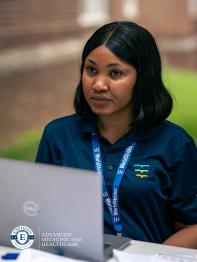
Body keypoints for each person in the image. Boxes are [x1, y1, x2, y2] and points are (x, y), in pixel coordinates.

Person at [36, 21, 197, 248]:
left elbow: (193, 226)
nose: (98, 84)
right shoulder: (57, 135)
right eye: (91, 70)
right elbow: (37, 215)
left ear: (143, 78)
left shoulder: (175, 144)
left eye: (115, 73)